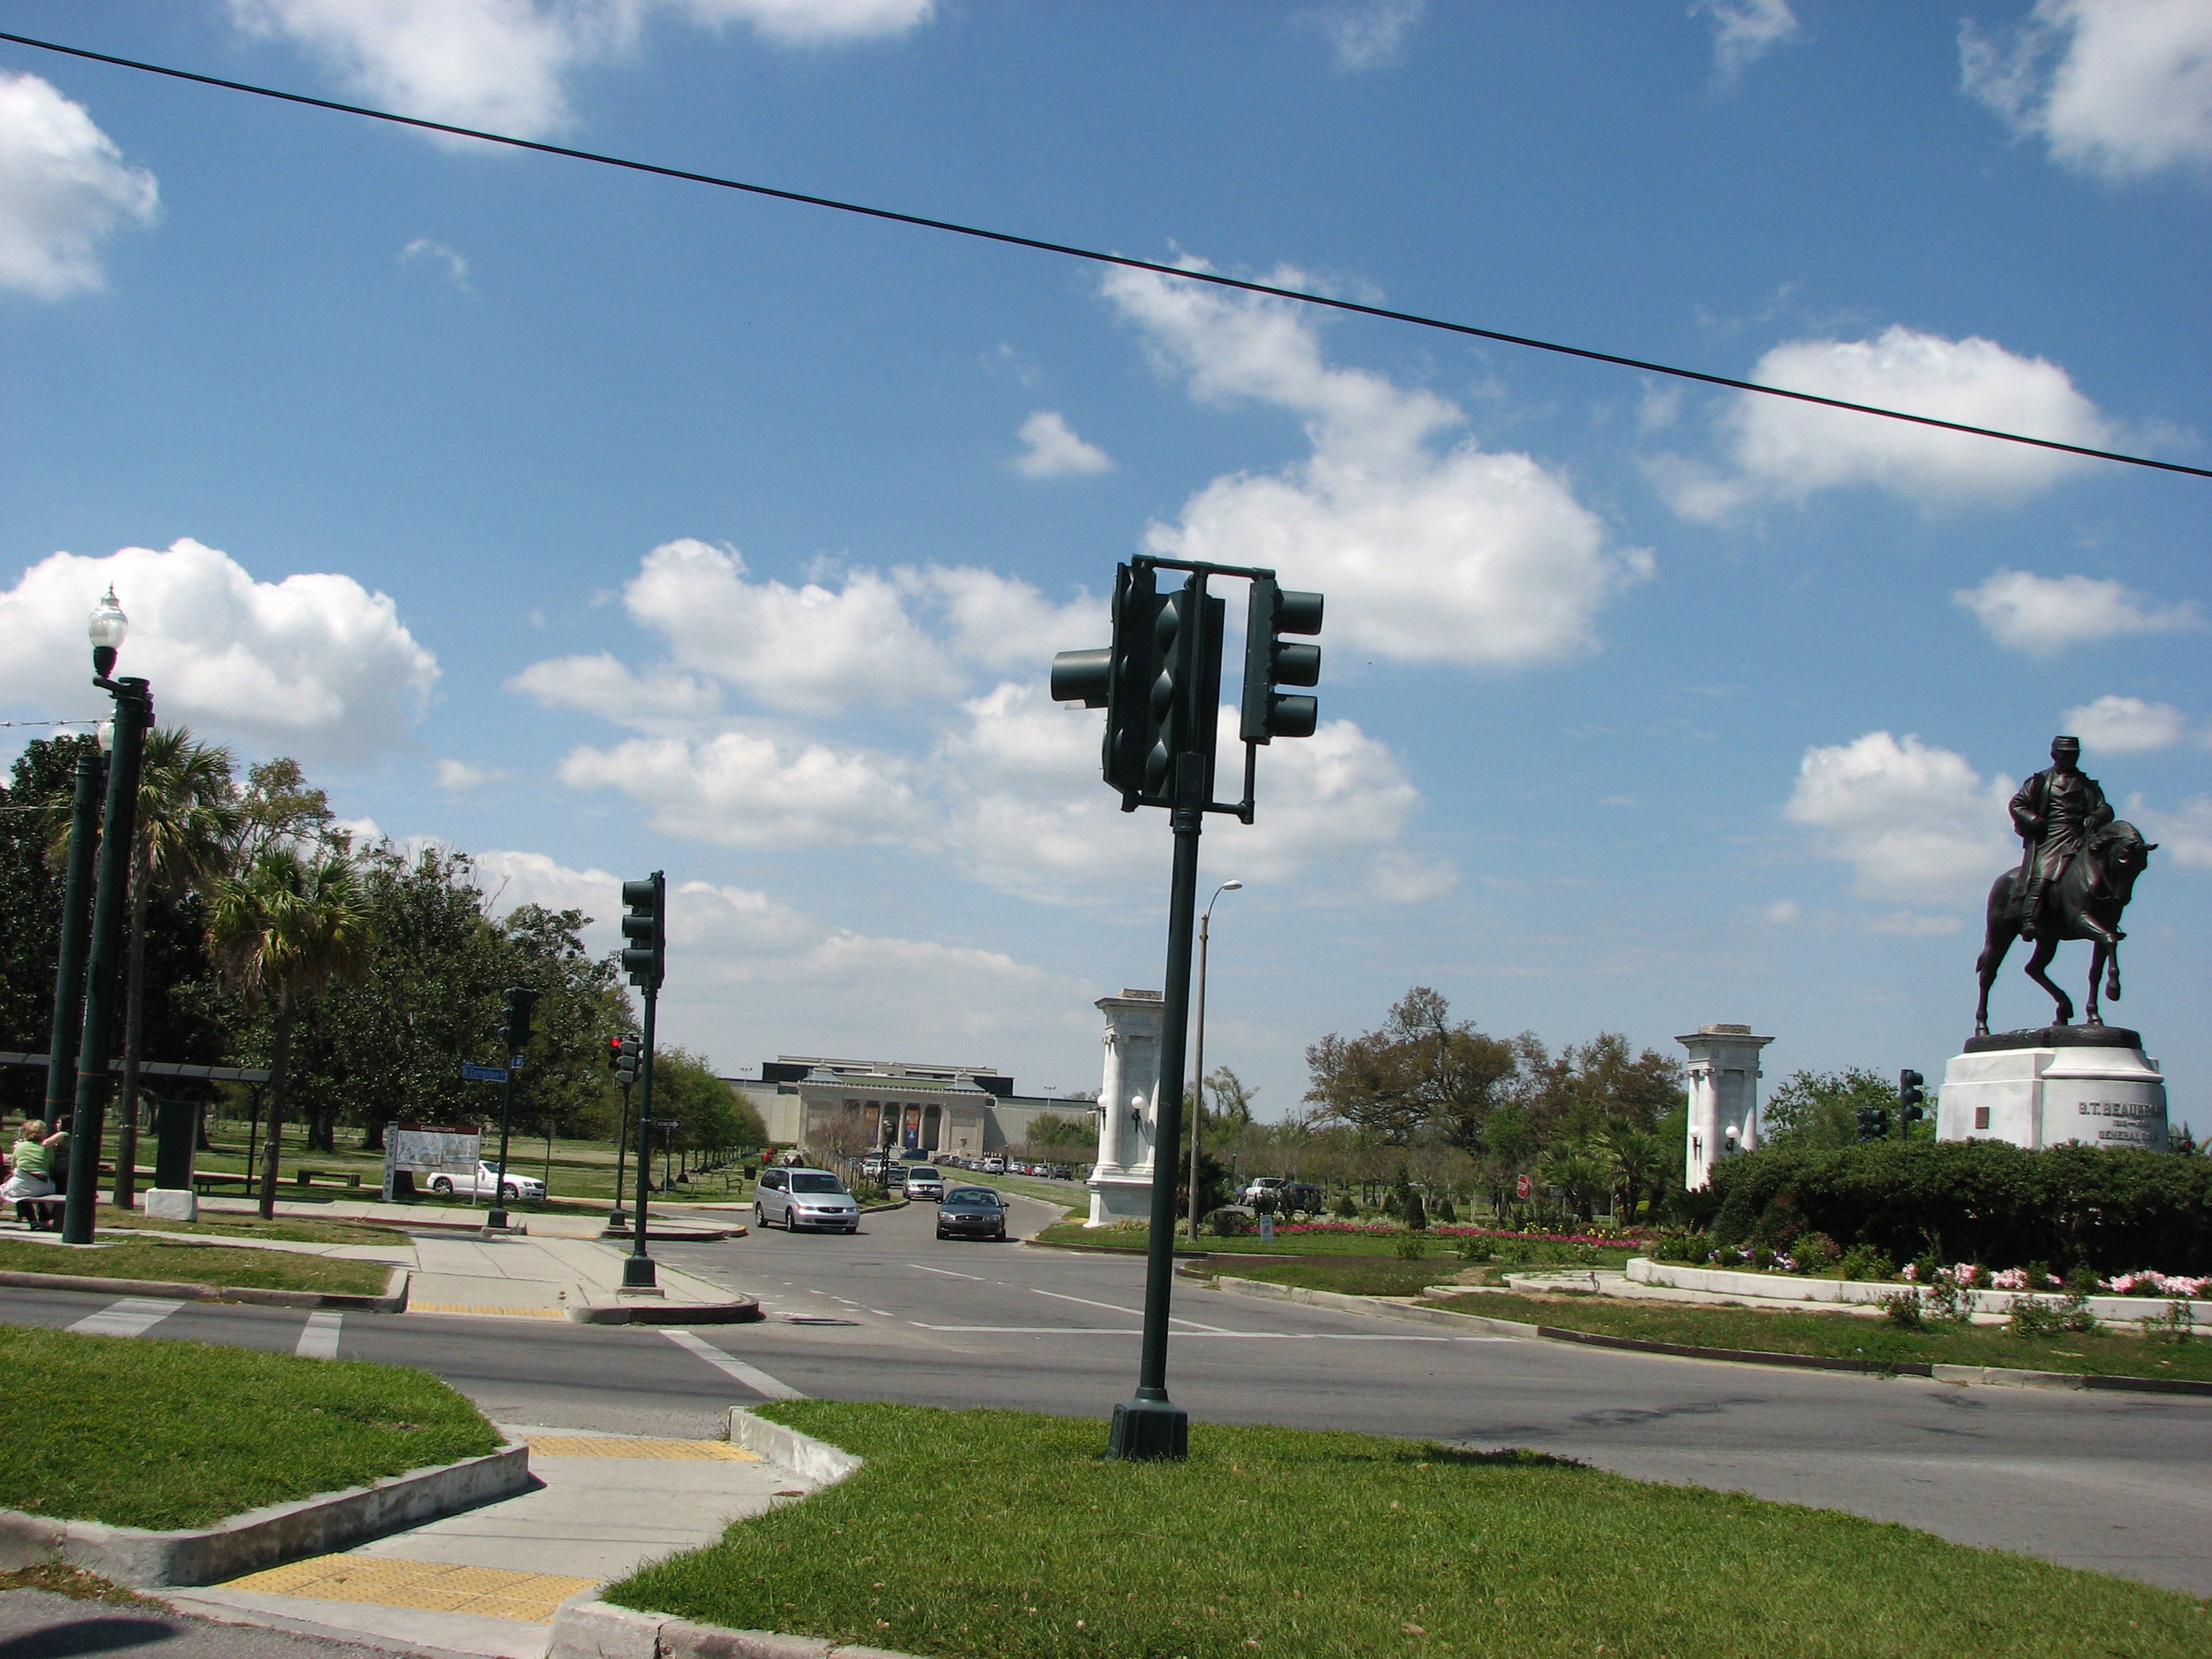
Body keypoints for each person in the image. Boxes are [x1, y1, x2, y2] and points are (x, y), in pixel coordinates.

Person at [2009, 735, 2115, 942]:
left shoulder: (2087, 785)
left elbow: (2106, 808)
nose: (2070, 758)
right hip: (2052, 836)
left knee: (2104, 870)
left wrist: (2096, 816)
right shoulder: (2040, 781)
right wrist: (2034, 820)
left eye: (2073, 755)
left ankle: (2107, 913)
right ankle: (2030, 917)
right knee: (2045, 871)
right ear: (2055, 755)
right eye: (2065, 754)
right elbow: (2017, 804)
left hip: (2080, 835)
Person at [4, 1118, 58, 1230]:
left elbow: (14, 1163)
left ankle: (32, 1221)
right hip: (42, 1185)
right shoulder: (46, 1148)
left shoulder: (20, 1146)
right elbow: (51, 1165)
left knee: (18, 1195)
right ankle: (44, 1221)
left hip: (22, 1183)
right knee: (44, 1196)